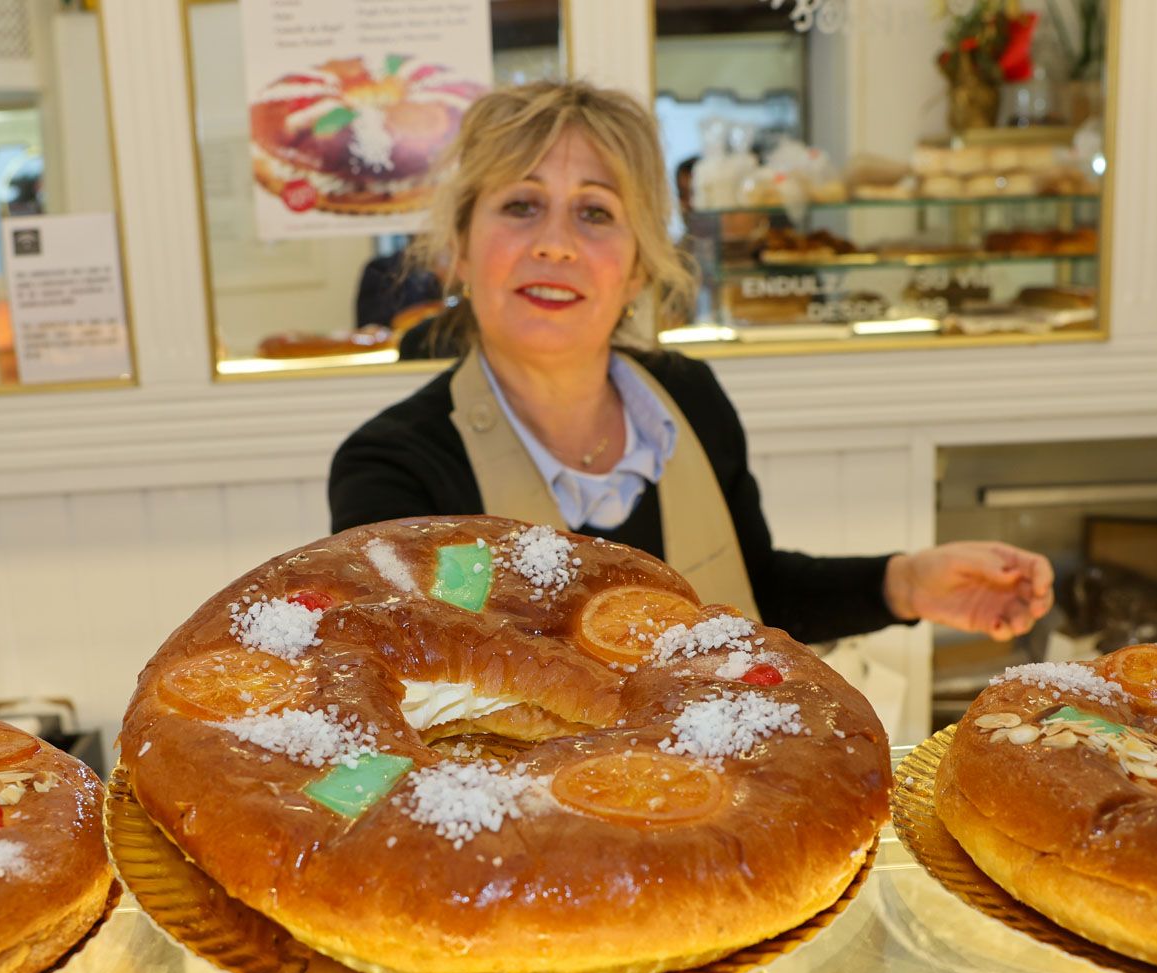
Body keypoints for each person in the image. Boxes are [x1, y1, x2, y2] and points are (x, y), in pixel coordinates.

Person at [328, 80, 1051, 646]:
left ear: (638, 267)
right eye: (520, 205)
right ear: (458, 249)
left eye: (595, 212)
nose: (555, 244)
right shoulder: (393, 468)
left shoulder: (687, 398)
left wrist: (904, 584)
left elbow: (749, 590)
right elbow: (408, 682)